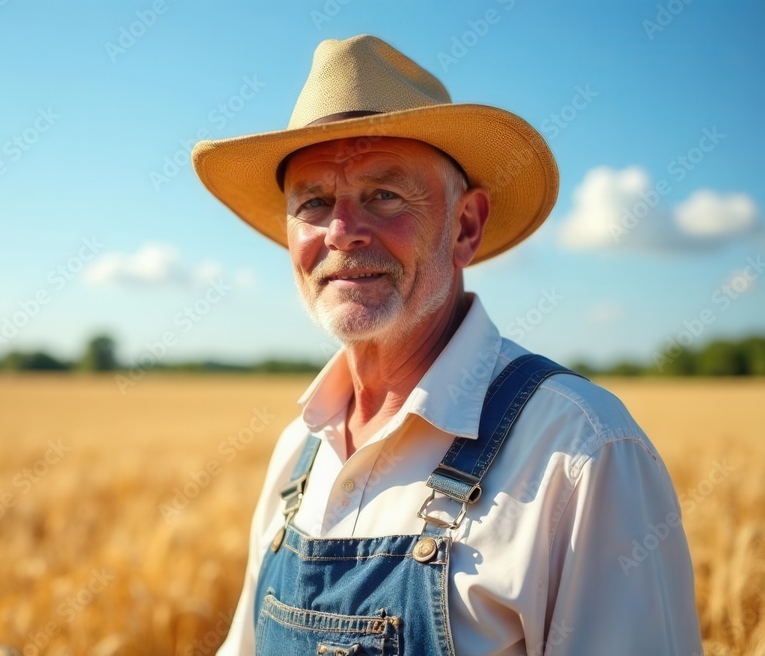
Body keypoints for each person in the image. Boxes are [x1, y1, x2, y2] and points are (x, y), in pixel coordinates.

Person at [192, 35, 701, 655]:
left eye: (384, 195)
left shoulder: (581, 450)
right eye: (315, 202)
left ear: (465, 226)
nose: (343, 233)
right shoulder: (298, 450)